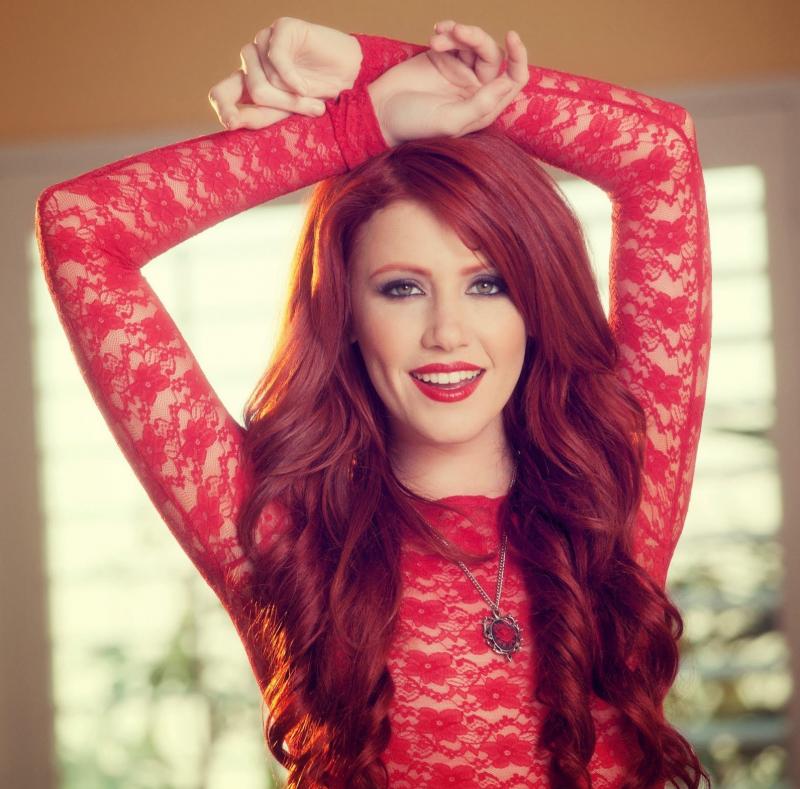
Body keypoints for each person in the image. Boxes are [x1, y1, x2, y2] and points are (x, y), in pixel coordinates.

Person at [35, 16, 712, 789]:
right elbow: (80, 228)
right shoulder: (283, 534)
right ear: (347, 314)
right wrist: (362, 123)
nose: (447, 331)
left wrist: (371, 65)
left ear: (534, 302)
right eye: (401, 288)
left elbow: (660, 152)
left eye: (487, 283)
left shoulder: (616, 496)